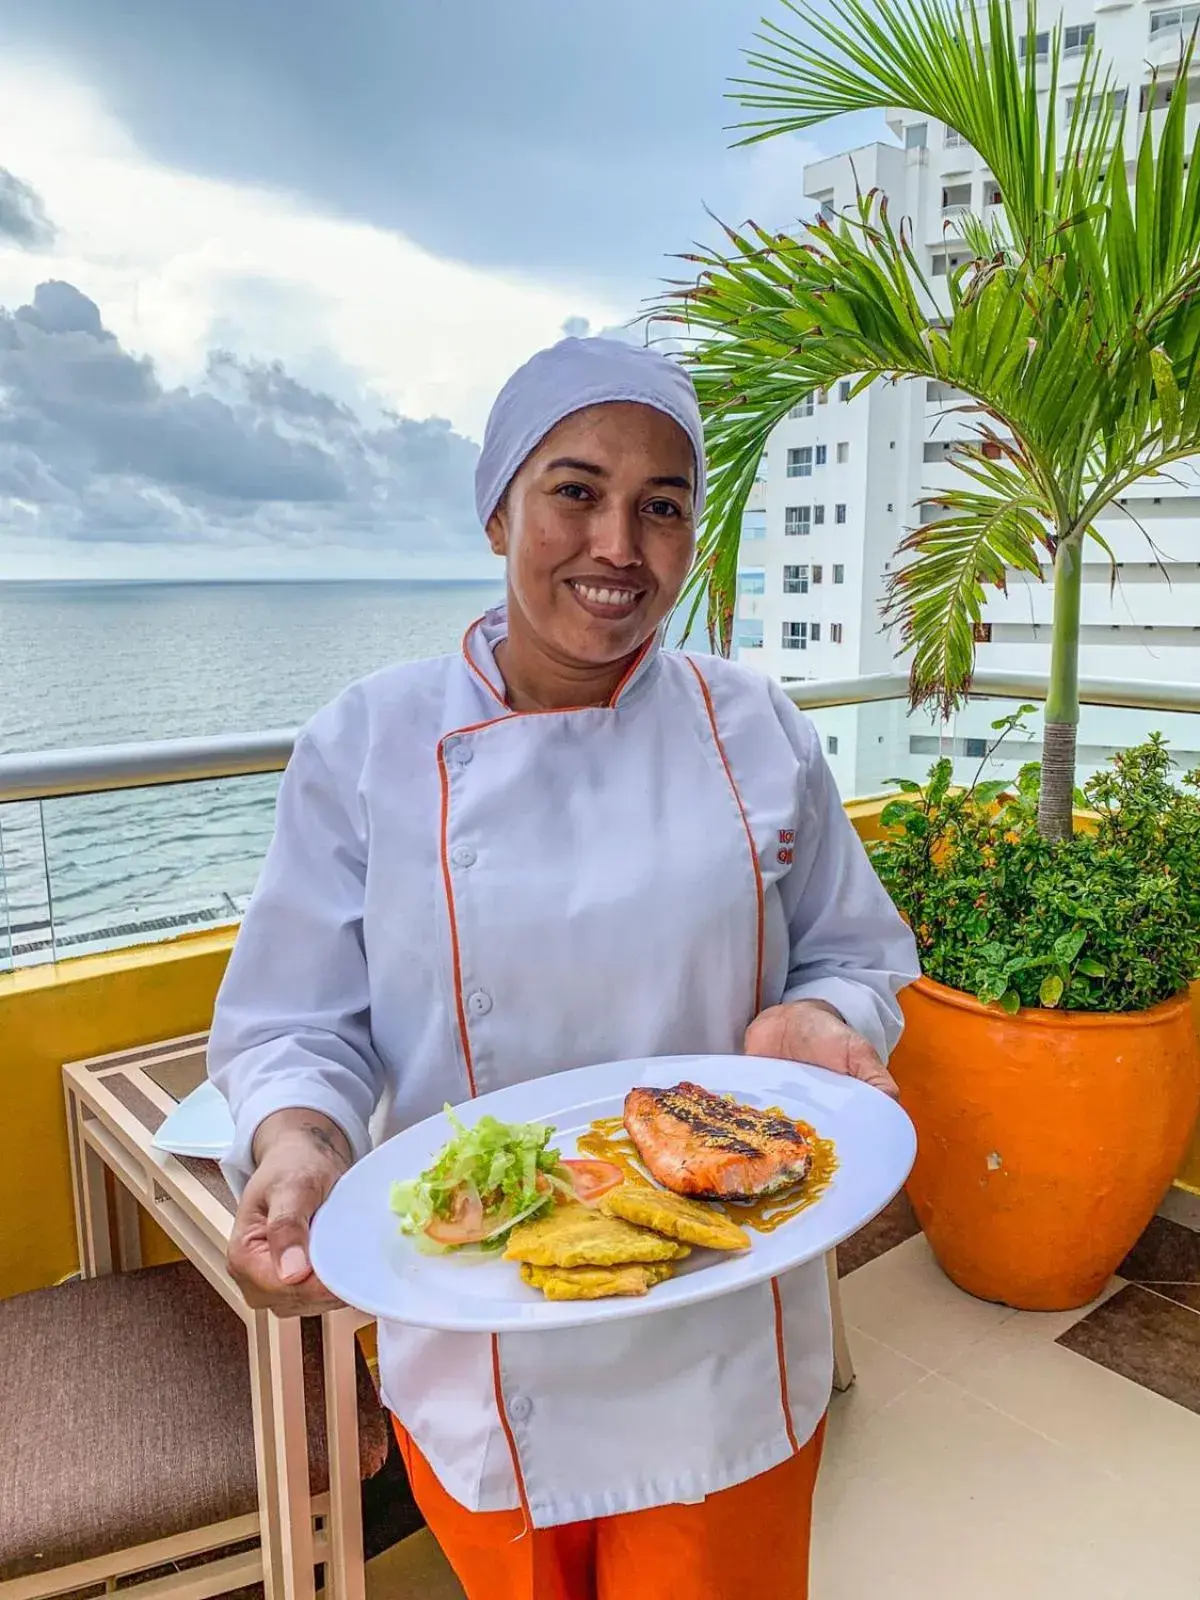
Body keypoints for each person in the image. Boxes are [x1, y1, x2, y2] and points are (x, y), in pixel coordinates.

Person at [209, 335, 919, 1600]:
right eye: (576, 491)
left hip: (720, 1346)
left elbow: (854, 949)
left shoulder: (755, 725)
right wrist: (301, 1140)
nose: (619, 546)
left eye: (662, 508)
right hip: (484, 1341)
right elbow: (297, 1020)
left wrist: (818, 1018)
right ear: (498, 508)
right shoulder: (366, 742)